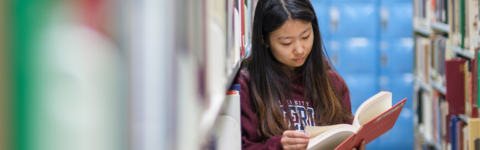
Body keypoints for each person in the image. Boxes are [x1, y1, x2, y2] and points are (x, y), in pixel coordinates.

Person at [233, 0, 366, 149]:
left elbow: (346, 135)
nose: (299, 50)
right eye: (287, 43)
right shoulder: (247, 86)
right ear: (264, 40)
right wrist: (279, 145)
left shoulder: (332, 83)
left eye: (305, 37)